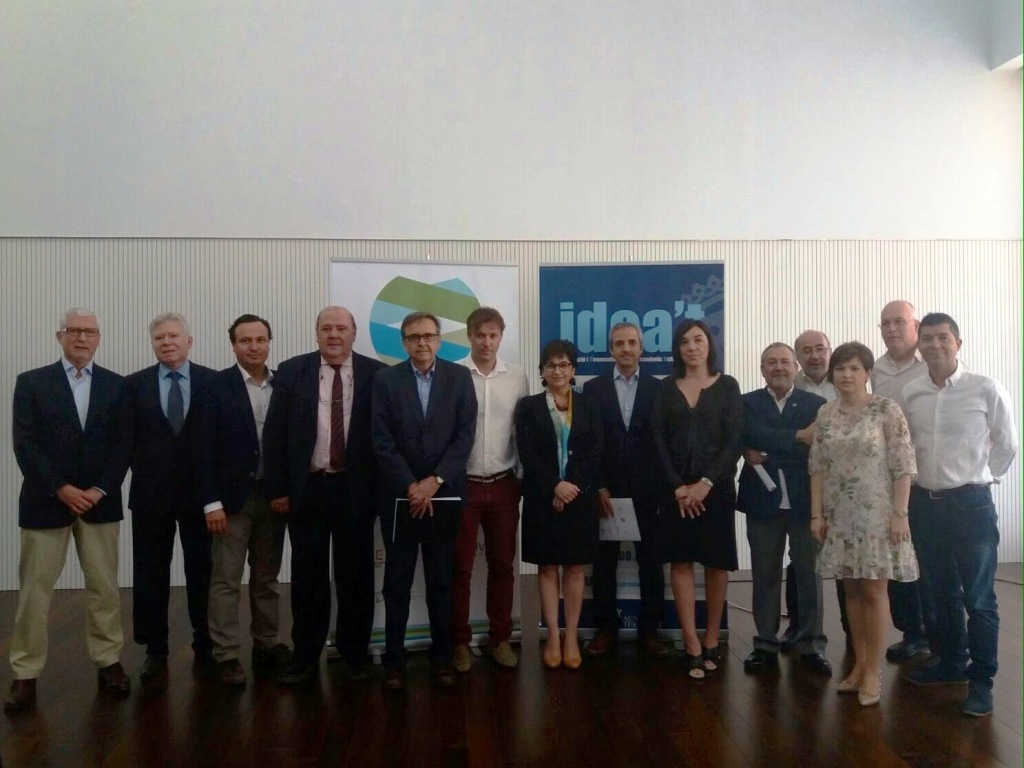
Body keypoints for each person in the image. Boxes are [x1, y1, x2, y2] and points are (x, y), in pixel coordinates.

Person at [6, 308, 132, 711]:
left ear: (99, 338)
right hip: (46, 502)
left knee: (104, 589)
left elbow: (123, 445)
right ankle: (25, 673)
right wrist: (61, 488)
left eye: (89, 332)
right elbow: (24, 445)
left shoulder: (117, 386)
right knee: (34, 593)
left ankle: (108, 661)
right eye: (74, 331)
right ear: (59, 336)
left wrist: (97, 489)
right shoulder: (31, 383)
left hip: (99, 502)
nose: (81, 338)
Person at [897, 313, 1017, 717]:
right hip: (925, 505)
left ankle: (981, 680)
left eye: (942, 338)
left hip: (971, 506)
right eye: (927, 338)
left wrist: (980, 479)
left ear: (958, 343)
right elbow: (906, 448)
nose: (934, 345)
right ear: (920, 344)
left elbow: (1007, 443)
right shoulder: (911, 393)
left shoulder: (984, 388)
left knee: (979, 599)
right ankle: (950, 664)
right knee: (941, 594)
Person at [263, 306, 385, 684]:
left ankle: (353, 655)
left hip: (355, 490)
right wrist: (279, 488)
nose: (334, 335)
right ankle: (305, 656)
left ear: (353, 334)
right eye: (326, 328)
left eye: (341, 329)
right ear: (316, 333)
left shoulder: (376, 374)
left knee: (356, 577)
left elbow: (384, 438)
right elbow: (275, 434)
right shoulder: (291, 371)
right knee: (307, 577)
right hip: (308, 489)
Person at [809, 342, 919, 707]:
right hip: (839, 517)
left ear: (868, 373)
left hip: (877, 516)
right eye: (840, 368)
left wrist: (899, 513)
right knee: (851, 592)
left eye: (855, 368)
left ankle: (873, 670)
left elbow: (903, 465)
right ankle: (857, 665)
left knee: (874, 592)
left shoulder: (886, 409)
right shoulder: (826, 414)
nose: (846, 374)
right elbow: (817, 467)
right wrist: (817, 514)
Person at [372, 312, 477, 691]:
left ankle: (442, 657)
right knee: (397, 584)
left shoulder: (459, 378)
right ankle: (394, 661)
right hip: (400, 497)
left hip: (444, 494)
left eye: (429, 336)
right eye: (414, 337)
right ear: (403, 342)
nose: (422, 343)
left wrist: (433, 481)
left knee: (440, 582)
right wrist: (411, 485)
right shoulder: (385, 380)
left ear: (439, 340)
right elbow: (381, 440)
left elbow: (465, 436)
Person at [125, 312, 219, 682]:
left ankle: (205, 643)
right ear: (152, 344)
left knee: (203, 573)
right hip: (151, 497)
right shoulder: (133, 386)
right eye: (159, 338)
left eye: (173, 336)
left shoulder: (214, 383)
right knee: (151, 574)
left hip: (202, 498)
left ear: (189, 341)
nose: (166, 342)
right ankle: (155, 649)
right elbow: (124, 441)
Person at [651, 320, 742, 679]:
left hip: (715, 491)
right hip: (675, 493)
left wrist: (705, 482)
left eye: (698, 340)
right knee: (682, 563)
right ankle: (690, 641)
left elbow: (734, 440)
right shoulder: (665, 389)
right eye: (684, 341)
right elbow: (656, 439)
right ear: (677, 349)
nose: (691, 347)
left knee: (716, 565)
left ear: (709, 345)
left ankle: (711, 638)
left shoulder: (728, 386)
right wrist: (678, 486)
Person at [203, 314, 291, 686]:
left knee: (267, 578)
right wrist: (211, 503)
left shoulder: (285, 384)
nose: (253, 346)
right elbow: (201, 449)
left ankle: (266, 643)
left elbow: (293, 442)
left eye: (260, 339)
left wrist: (286, 489)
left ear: (270, 343)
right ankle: (225, 653)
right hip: (231, 502)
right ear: (233, 345)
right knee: (226, 579)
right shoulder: (215, 386)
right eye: (245, 341)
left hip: (273, 499)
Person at [738, 343, 830, 675]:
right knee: (765, 574)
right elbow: (748, 433)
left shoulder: (816, 404)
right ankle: (765, 643)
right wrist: (795, 436)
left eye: (785, 362)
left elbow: (816, 444)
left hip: (807, 504)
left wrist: (770, 443)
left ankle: (811, 644)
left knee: (809, 575)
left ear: (796, 368)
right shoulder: (746, 403)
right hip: (763, 503)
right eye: (771, 363)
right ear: (762, 369)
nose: (778, 368)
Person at [515, 340, 602, 670]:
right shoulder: (528, 407)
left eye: (564, 365)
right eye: (551, 365)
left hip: (579, 498)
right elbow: (527, 452)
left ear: (574, 370)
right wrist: (554, 485)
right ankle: (552, 635)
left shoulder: (589, 406)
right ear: (541, 371)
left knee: (575, 567)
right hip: (541, 497)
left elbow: (596, 452)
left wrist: (571, 488)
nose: (558, 371)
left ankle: (570, 635)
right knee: (548, 567)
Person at [582, 322, 667, 658]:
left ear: (641, 348)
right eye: (619, 344)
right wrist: (598, 485)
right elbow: (589, 443)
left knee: (651, 562)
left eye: (632, 343)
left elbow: (664, 442)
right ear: (611, 350)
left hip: (649, 490)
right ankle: (605, 629)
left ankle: (650, 631)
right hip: (608, 490)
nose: (626, 349)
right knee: (604, 564)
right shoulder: (593, 389)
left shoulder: (660, 389)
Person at [451, 308, 529, 672]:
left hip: (503, 485)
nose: (486, 341)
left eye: (493, 335)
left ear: (501, 336)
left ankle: (500, 638)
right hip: (462, 484)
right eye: (480, 334)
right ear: (469, 335)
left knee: (502, 565)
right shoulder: (452, 374)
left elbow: (522, 432)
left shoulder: (517, 377)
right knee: (460, 569)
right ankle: (460, 643)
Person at [871, 301, 930, 664]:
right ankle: (912, 633)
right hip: (886, 483)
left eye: (899, 322)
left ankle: (937, 634)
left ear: (915, 325)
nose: (892, 329)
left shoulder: (932, 364)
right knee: (898, 562)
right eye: (885, 323)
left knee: (929, 561)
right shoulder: (876, 369)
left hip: (926, 481)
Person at [792, 329, 850, 647]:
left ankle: (851, 630)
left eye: (820, 349)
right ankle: (800, 627)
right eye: (806, 351)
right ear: (797, 357)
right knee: (801, 557)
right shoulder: (792, 382)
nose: (814, 356)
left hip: (845, 484)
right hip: (805, 483)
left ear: (830, 350)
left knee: (845, 559)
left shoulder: (845, 380)